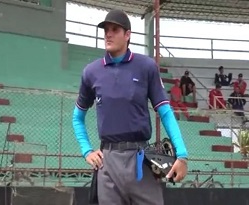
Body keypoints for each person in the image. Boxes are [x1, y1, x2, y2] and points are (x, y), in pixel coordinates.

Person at [72, 9, 188, 205]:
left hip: (140, 161)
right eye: (106, 30)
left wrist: (182, 155)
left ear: (127, 35)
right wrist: (87, 151)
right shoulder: (91, 72)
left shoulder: (146, 66)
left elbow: (165, 112)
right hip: (107, 162)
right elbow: (77, 117)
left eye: (115, 29)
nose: (108, 34)